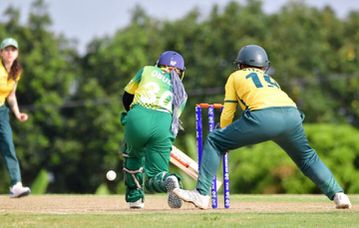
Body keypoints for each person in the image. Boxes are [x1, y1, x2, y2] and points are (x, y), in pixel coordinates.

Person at [173, 44, 352, 209]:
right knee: (307, 158)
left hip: (264, 116)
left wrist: (223, 136)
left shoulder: (235, 76)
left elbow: (228, 112)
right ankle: (339, 194)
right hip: (292, 115)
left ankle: (202, 195)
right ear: (264, 65)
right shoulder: (270, 79)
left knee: (214, 140)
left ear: (240, 64)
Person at [121, 51, 187, 209]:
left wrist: (132, 119)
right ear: (181, 72)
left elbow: (127, 96)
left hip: (139, 116)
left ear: (158, 64)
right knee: (155, 176)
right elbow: (174, 121)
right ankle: (168, 180)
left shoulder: (147, 70)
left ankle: (135, 198)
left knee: (133, 156)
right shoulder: (182, 93)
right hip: (164, 124)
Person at [0, 37, 31, 198]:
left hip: (2, 112)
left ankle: (15, 185)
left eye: (13, 50)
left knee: (8, 146)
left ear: (17, 53)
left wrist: (17, 113)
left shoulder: (16, 71)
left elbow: (11, 95)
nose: (10, 53)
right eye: (6, 49)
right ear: (1, 52)